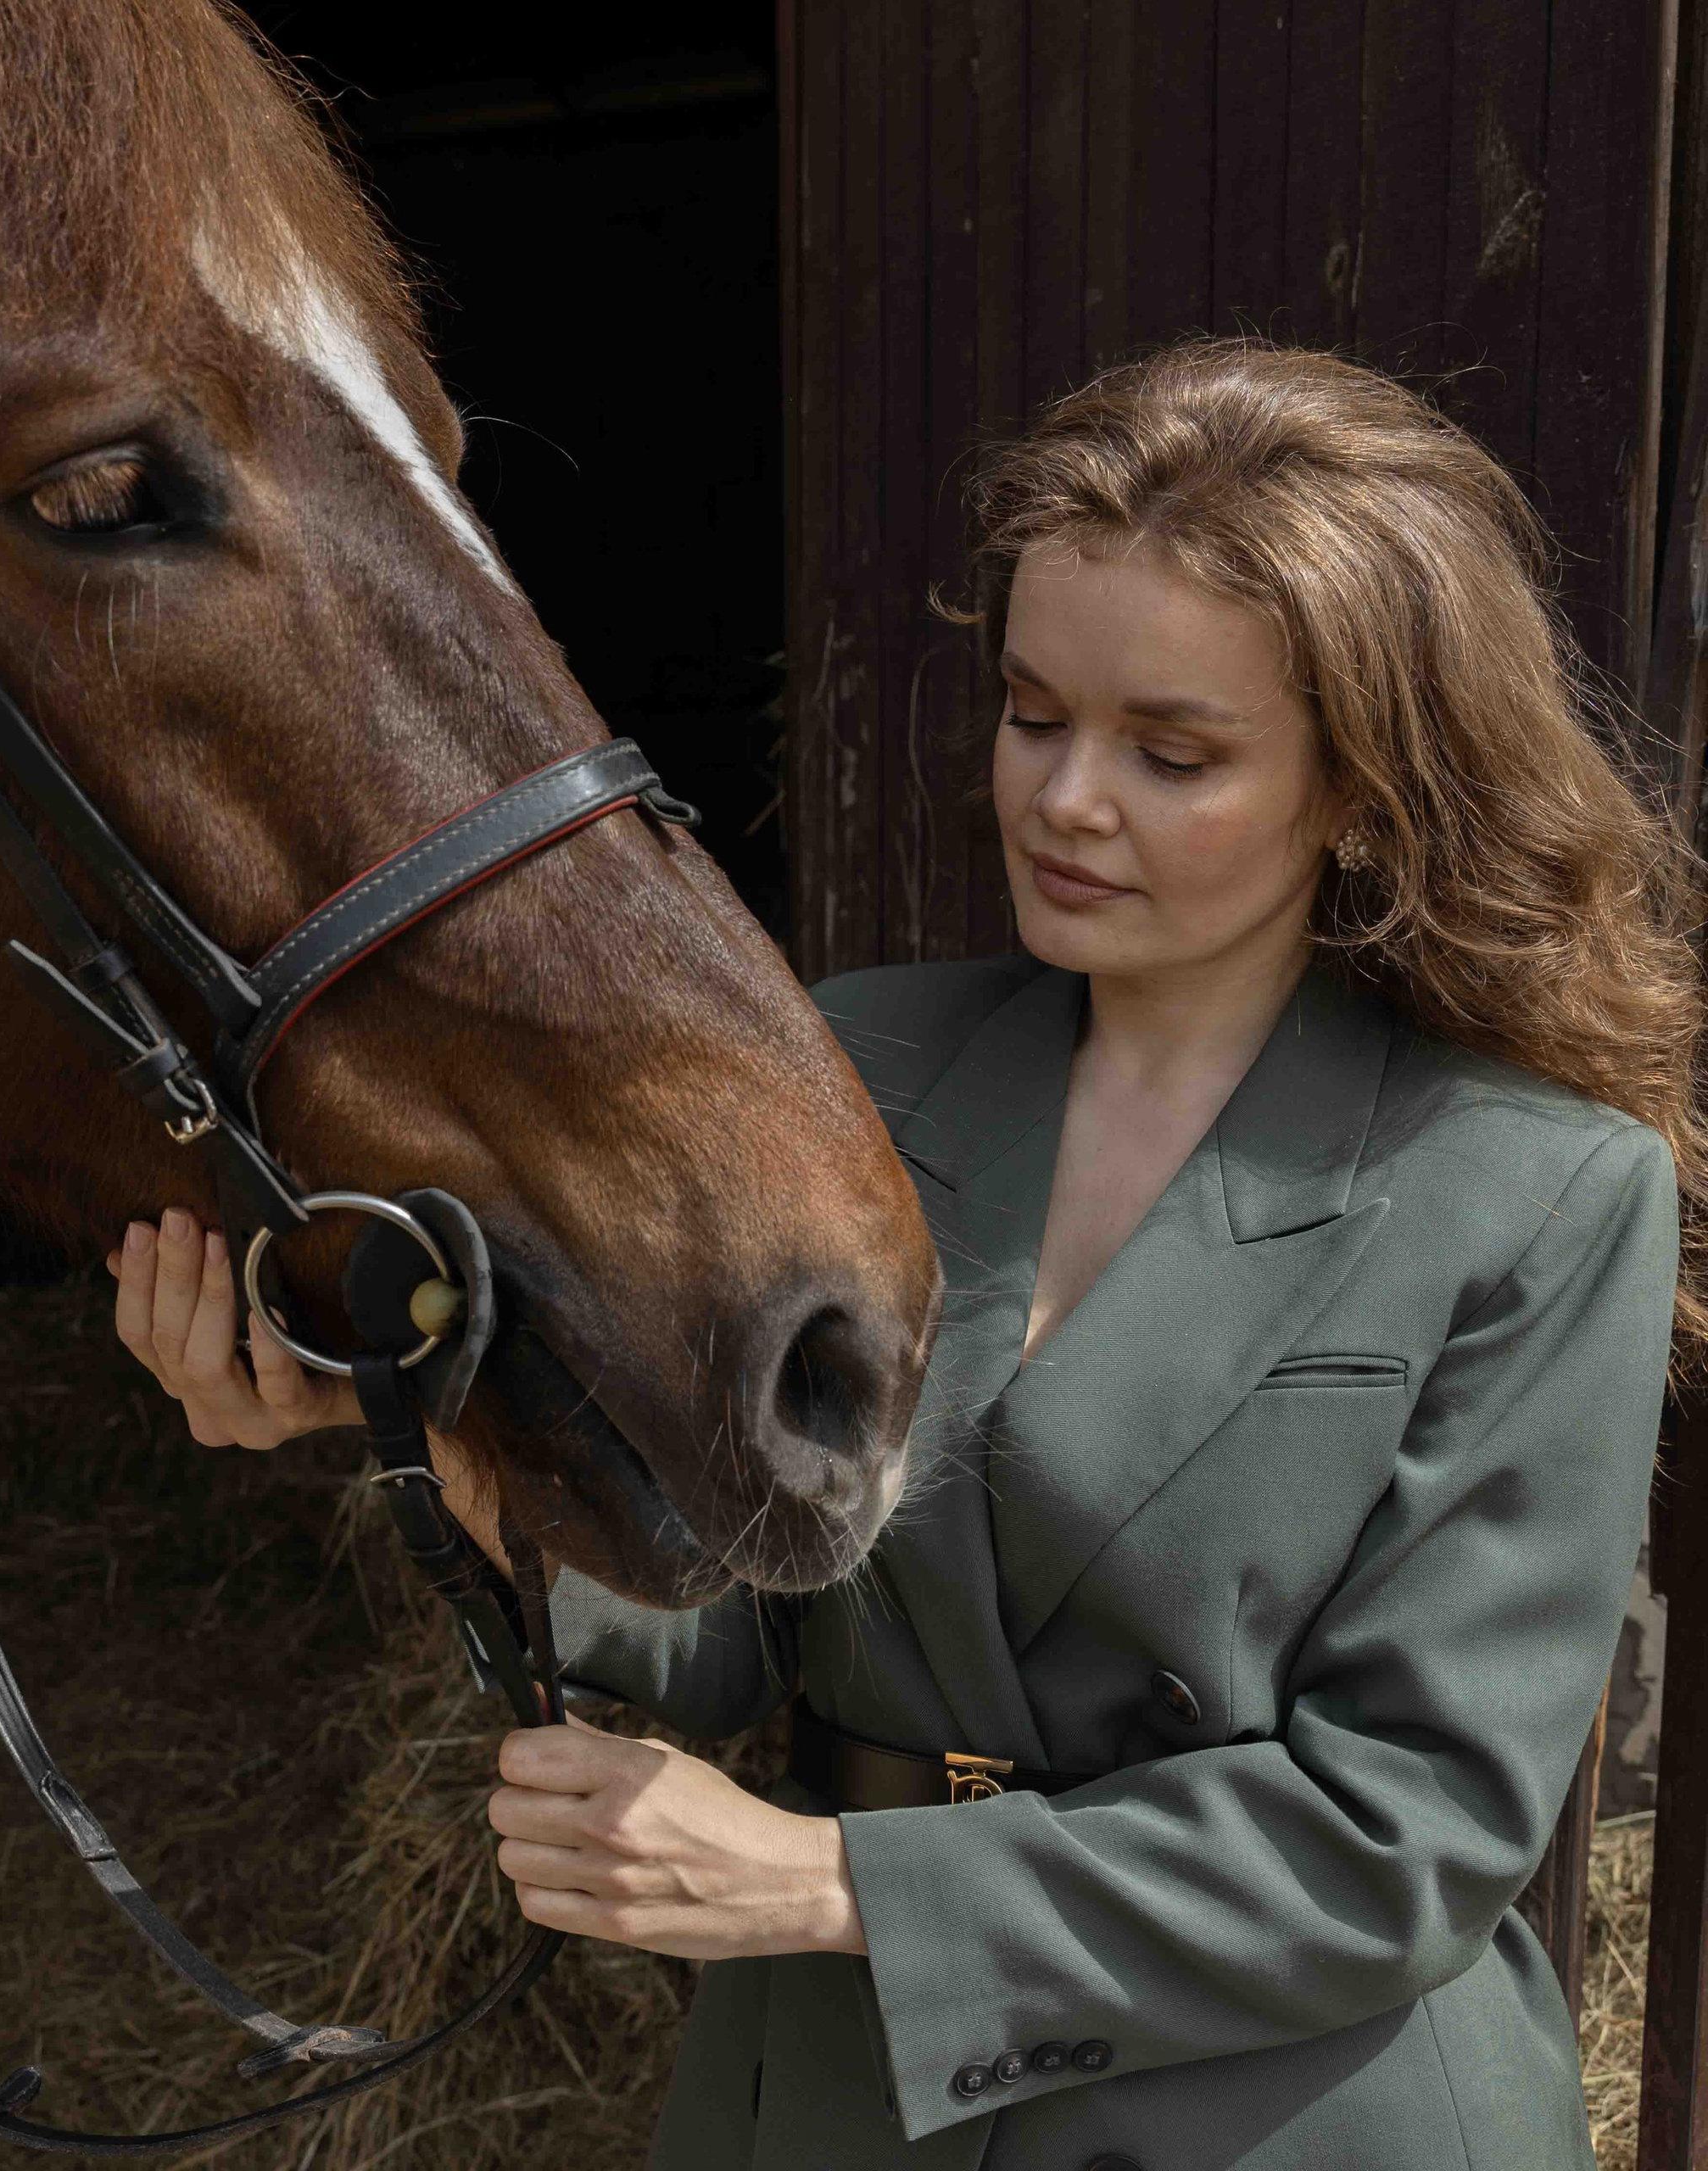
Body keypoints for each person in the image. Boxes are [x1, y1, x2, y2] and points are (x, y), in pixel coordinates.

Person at [107, 338, 1698, 2169]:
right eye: (1034, 715)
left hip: (1287, 2113)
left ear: (1360, 788)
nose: (1066, 797)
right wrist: (404, 1418)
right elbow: (719, 1618)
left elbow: (1406, 1834)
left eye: (1171, 752)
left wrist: (820, 1881)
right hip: (829, 2097)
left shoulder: (1540, 1190)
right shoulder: (852, 1065)